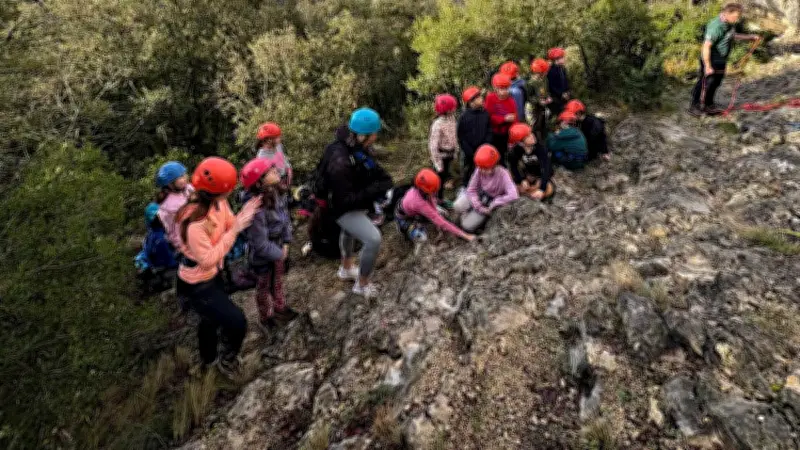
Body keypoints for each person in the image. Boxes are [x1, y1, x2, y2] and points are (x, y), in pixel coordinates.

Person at [176, 157, 262, 377]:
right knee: (237, 321)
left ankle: (209, 360)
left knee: (210, 319)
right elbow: (208, 259)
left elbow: (229, 223)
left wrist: (242, 218)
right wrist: (235, 230)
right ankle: (227, 359)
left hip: (213, 275)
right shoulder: (194, 223)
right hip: (197, 283)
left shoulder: (219, 203)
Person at [318, 107, 393, 298]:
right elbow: (345, 200)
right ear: (363, 135)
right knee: (373, 239)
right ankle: (362, 284)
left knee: (349, 230)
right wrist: (374, 190)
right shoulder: (340, 161)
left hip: (346, 200)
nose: (376, 136)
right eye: (374, 133)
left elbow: (365, 168)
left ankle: (346, 268)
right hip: (339, 206)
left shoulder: (352, 145)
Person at [239, 158, 298, 331]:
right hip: (262, 257)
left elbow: (285, 218)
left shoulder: (275, 192)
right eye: (270, 171)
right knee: (263, 287)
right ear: (259, 182)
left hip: (278, 247)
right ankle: (266, 318)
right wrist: (279, 253)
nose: (275, 172)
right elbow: (259, 243)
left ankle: (280, 308)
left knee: (277, 281)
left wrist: (286, 242)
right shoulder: (256, 208)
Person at [689, 3, 759, 116]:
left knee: (716, 83)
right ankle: (694, 106)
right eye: (736, 17)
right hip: (711, 60)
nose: (737, 19)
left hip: (721, 60)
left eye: (738, 17)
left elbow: (731, 35)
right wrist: (707, 66)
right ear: (727, 13)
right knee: (705, 82)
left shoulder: (729, 24)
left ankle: (708, 105)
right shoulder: (716, 26)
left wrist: (749, 37)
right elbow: (706, 46)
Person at [396, 169, 475, 243]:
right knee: (423, 238)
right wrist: (465, 236)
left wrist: (437, 215)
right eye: (433, 191)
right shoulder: (419, 202)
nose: (435, 192)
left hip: (414, 209)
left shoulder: (424, 189)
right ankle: (405, 229)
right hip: (405, 217)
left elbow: (433, 200)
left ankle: (423, 221)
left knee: (443, 213)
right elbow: (439, 221)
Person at [453, 144, 519, 232]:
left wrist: (496, 203)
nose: (482, 171)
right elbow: (471, 189)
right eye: (481, 168)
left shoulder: (503, 174)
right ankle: (468, 213)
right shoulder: (479, 170)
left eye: (486, 168)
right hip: (479, 196)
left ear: (494, 164)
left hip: (489, 203)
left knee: (467, 226)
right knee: (457, 205)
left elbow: (514, 195)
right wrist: (478, 205)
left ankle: (476, 219)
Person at [507, 123, 554, 201]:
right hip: (528, 174)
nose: (532, 136)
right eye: (527, 136)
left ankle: (533, 194)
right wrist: (522, 180)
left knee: (549, 189)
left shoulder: (540, 148)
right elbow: (513, 167)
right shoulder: (516, 150)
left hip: (542, 175)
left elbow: (546, 168)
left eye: (531, 133)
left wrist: (542, 188)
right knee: (510, 179)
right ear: (521, 143)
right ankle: (530, 193)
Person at [457, 86, 492, 189]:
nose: (482, 99)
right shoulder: (463, 117)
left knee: (485, 169)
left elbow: (489, 131)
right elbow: (461, 136)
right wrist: (468, 150)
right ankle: (465, 188)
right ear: (471, 102)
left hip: (483, 149)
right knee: (468, 169)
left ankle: (485, 188)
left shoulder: (485, 114)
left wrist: (486, 144)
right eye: (478, 97)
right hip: (469, 151)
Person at [155, 161, 193, 252]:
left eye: (184, 175)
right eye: (180, 177)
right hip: (182, 241)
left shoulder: (187, 188)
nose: (184, 178)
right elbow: (177, 230)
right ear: (170, 184)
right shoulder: (170, 205)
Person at [429, 94, 459, 199]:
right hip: (441, 156)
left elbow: (454, 136)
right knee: (438, 180)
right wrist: (437, 163)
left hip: (449, 154)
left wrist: (455, 151)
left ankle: (440, 199)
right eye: (452, 108)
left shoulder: (452, 119)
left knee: (445, 176)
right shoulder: (437, 124)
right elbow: (433, 145)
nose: (454, 109)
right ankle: (437, 199)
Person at [484, 73, 518, 166]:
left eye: (506, 88)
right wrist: (503, 119)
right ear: (495, 88)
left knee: (503, 156)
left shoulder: (511, 101)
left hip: (505, 133)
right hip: (493, 133)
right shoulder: (490, 98)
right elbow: (487, 116)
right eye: (502, 89)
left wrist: (512, 139)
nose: (504, 91)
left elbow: (515, 121)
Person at [255, 122, 293, 189]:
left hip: (286, 178)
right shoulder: (261, 158)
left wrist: (289, 168)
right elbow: (267, 180)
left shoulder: (278, 145)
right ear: (269, 140)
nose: (280, 139)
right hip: (276, 187)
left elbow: (283, 158)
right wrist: (281, 186)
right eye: (277, 137)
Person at [528, 58, 552, 142]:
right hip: (534, 109)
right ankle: (535, 142)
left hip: (544, 107)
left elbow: (547, 91)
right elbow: (529, 98)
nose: (546, 73)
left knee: (544, 125)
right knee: (535, 126)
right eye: (544, 71)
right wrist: (538, 101)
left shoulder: (545, 80)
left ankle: (544, 141)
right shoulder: (531, 83)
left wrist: (548, 97)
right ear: (539, 72)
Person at [546, 47, 570, 116]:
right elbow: (551, 86)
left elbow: (566, 82)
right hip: (555, 99)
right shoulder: (551, 71)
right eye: (562, 57)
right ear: (556, 59)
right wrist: (561, 94)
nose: (564, 59)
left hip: (564, 97)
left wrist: (567, 91)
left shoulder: (562, 69)